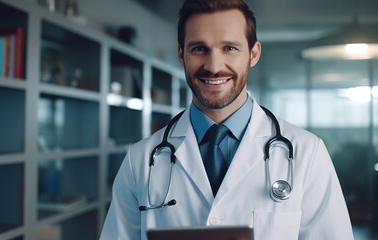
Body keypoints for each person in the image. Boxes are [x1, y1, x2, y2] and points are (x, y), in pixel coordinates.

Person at [99, 0, 354, 239]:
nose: (213, 65)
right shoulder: (140, 160)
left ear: (253, 54)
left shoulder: (307, 154)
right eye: (199, 49)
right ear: (181, 55)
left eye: (229, 48)